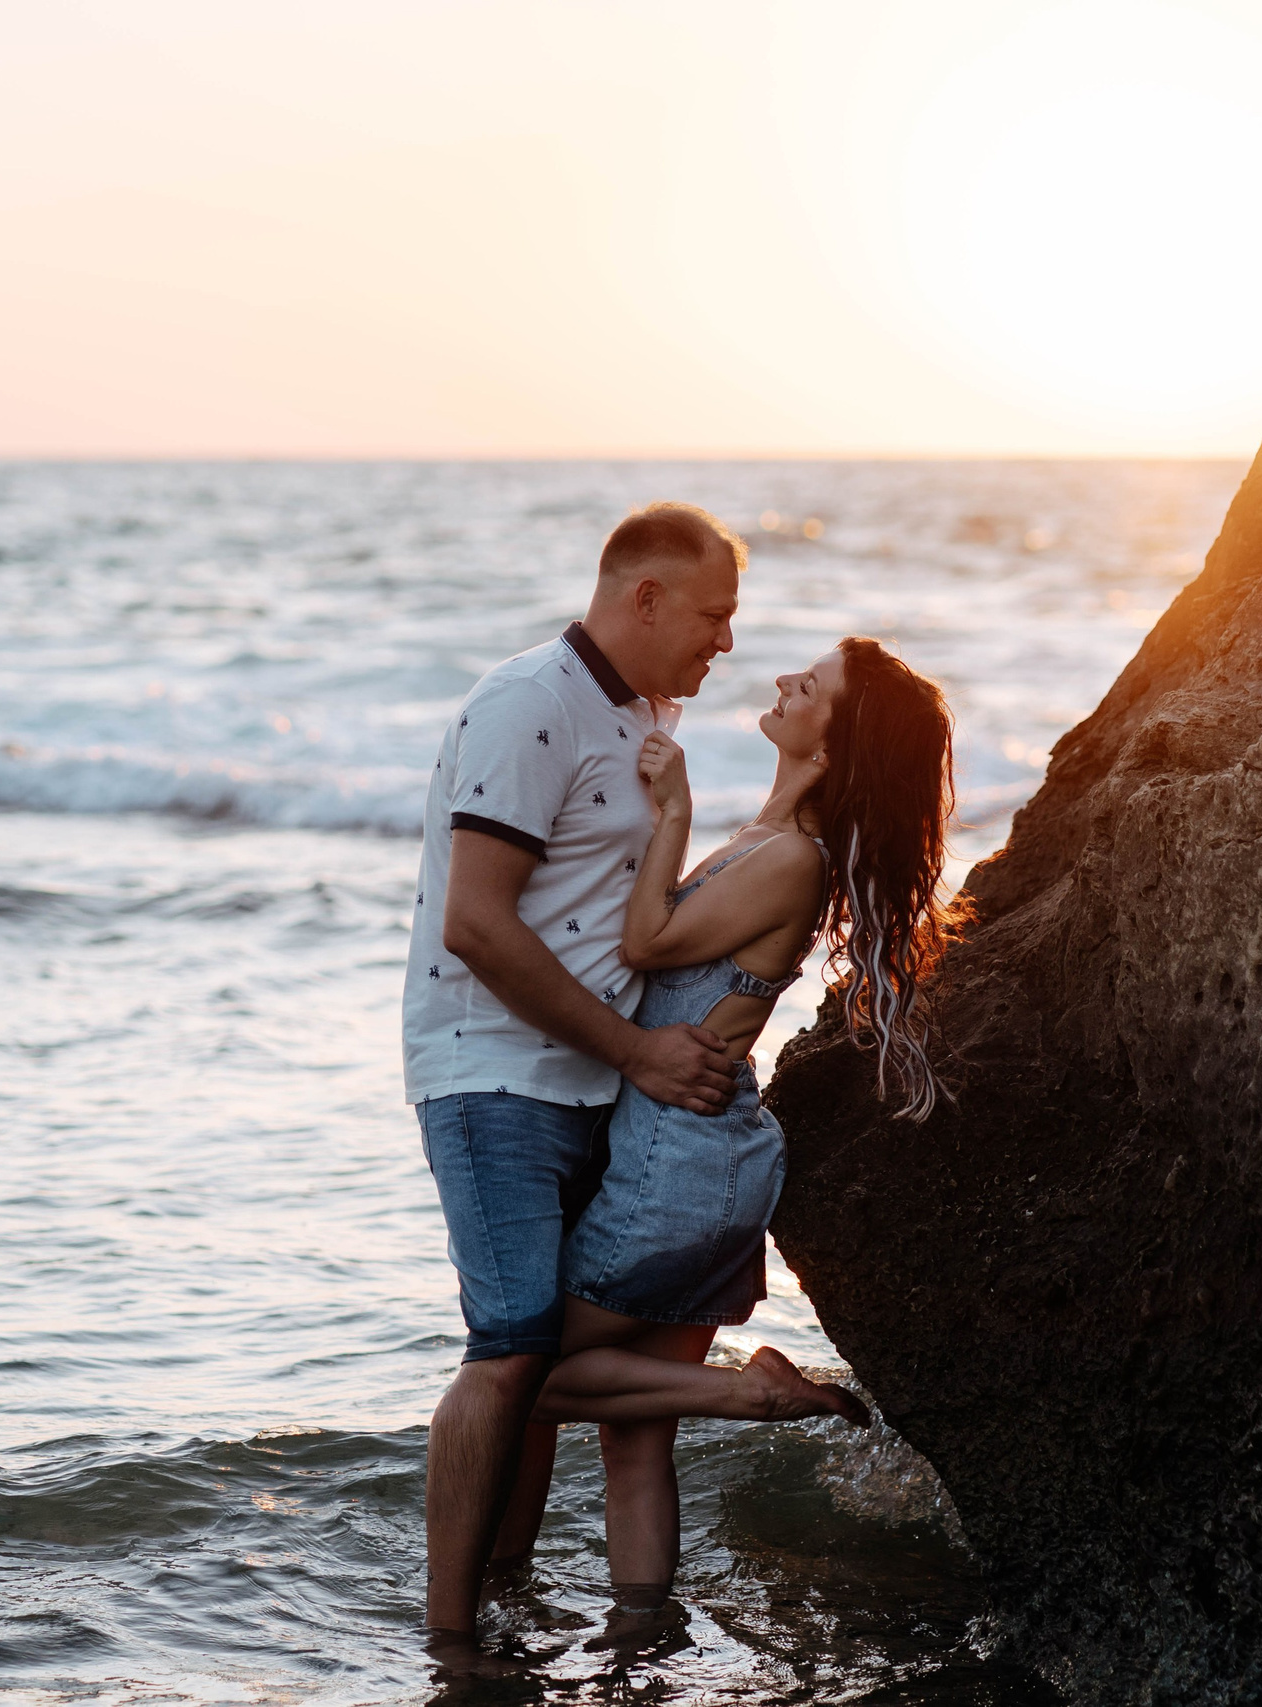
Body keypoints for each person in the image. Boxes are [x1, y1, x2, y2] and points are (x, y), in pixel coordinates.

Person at [512, 634, 964, 1600]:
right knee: (635, 1443)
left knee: (526, 1380)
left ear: (835, 747)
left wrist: (672, 807)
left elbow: (644, 940)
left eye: (813, 686)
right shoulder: (771, 840)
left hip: (678, 1170)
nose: (785, 682)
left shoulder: (792, 858)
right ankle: (643, 1647)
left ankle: (753, 1392)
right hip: (694, 1157)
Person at [402, 502, 747, 1651]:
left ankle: (502, 1602)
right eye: (713, 616)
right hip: (493, 1071)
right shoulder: (528, 704)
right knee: (507, 1349)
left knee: (545, 1347)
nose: (725, 645)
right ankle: (449, 1642)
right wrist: (643, 1051)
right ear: (643, 598)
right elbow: (478, 927)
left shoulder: (639, 715)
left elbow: (628, 920)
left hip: (595, 1082)